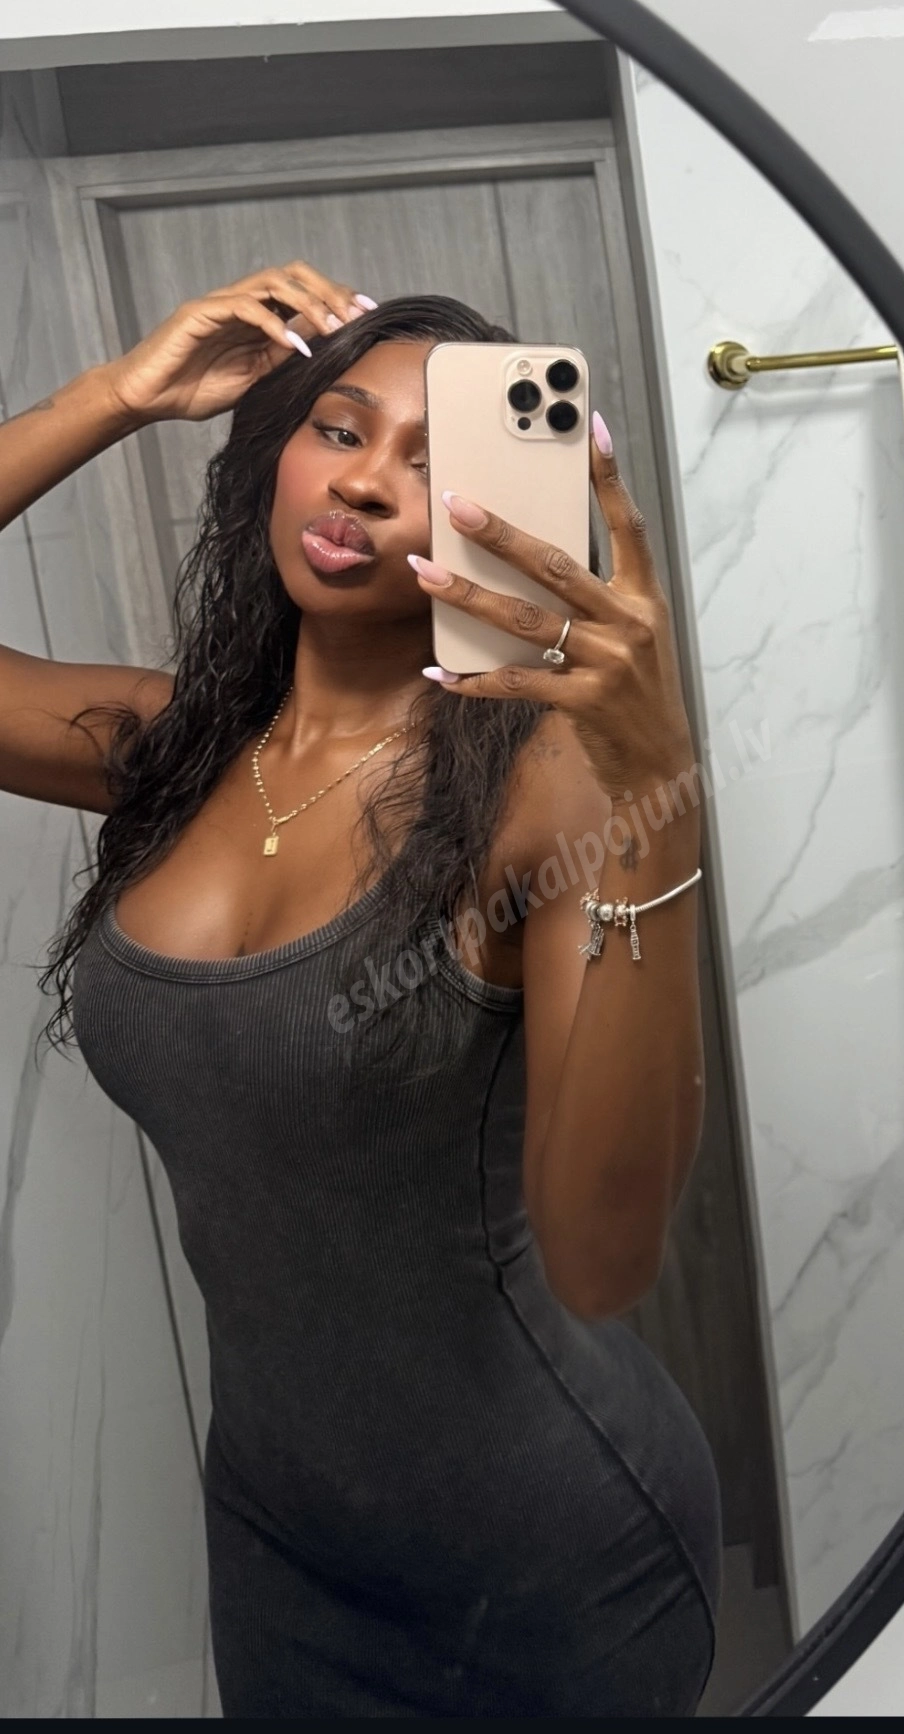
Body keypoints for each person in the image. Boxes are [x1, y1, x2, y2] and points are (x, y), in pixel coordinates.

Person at [1, 260, 722, 1717]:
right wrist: (117, 394)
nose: (368, 483)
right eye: (338, 429)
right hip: (279, 1537)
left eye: (439, 463)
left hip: (548, 1547)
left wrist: (655, 798)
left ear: (515, 516)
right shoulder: (171, 748)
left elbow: (603, 1255)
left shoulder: (541, 796)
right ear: (277, 453)